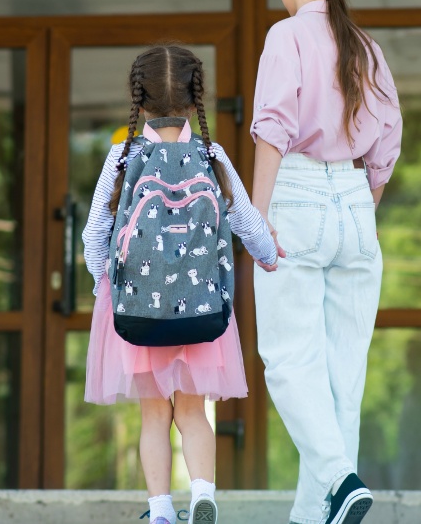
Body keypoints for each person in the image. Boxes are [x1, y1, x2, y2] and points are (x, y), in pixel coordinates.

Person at [82, 45, 282, 524]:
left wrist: (102, 285)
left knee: (154, 416)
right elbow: (247, 221)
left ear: (138, 98)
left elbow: (95, 235)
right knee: (193, 413)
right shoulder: (210, 154)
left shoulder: (123, 156)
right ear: (196, 99)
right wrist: (270, 257)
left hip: (136, 311)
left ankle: (160, 512)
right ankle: (203, 493)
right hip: (200, 311)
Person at [250, 0, 403, 524]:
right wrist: (361, 201)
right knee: (344, 375)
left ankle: (340, 481)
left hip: (298, 194)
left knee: (290, 363)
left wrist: (256, 218)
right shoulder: (365, 45)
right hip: (356, 204)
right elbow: (387, 136)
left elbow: (271, 129)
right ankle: (318, 514)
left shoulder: (284, 36)